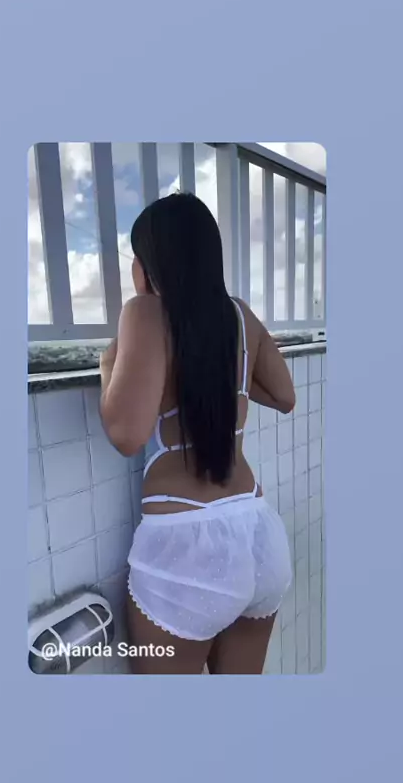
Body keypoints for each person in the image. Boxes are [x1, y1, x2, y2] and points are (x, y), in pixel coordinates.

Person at [99, 193, 295, 674]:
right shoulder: (240, 315)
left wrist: (107, 368)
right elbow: (284, 395)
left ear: (145, 266)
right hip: (259, 535)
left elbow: (126, 434)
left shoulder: (144, 312)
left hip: (184, 552)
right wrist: (228, 376)